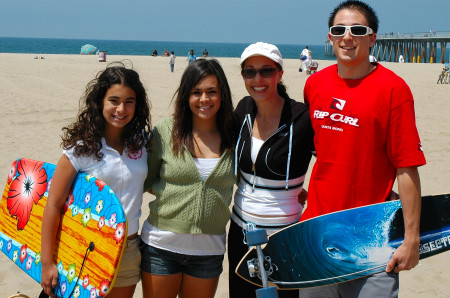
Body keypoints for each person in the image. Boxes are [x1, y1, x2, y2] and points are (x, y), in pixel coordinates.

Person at [301, 1, 426, 297]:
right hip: (318, 232)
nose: (347, 37)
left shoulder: (394, 89)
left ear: (372, 38)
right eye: (338, 30)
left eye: (358, 30)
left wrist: (411, 239)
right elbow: (319, 149)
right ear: (329, 38)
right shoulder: (314, 85)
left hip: (373, 238)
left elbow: (406, 166)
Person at [41, 62, 152, 298]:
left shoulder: (142, 143)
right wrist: (47, 262)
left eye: (129, 101)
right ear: (100, 101)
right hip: (86, 247)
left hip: (128, 249)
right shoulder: (81, 148)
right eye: (114, 100)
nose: (121, 109)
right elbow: (53, 204)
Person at [140, 58, 237, 298]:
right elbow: (146, 180)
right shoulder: (166, 130)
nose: (204, 99)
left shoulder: (235, 134)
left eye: (212, 92)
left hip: (209, 252)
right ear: (186, 96)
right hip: (160, 247)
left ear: (222, 94)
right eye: (196, 92)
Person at [228, 42, 314, 298]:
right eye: (249, 72)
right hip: (240, 234)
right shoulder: (243, 110)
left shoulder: (301, 118)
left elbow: (336, 161)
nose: (258, 79)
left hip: (285, 237)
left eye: (266, 71)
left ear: (279, 73)